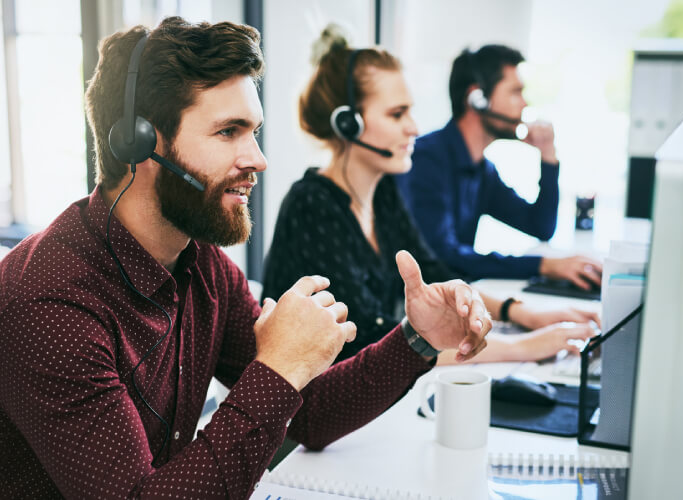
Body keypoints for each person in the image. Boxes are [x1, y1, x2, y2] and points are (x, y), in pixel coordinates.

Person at [0, 18, 493, 499]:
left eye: (253, 131)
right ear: (139, 142)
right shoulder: (48, 302)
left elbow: (311, 413)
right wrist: (276, 368)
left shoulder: (203, 264)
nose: (257, 158)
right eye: (228, 132)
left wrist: (417, 339)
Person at [262, 27, 598, 367]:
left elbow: (435, 274)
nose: (414, 128)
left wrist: (521, 314)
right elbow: (366, 343)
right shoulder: (313, 206)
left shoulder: (384, 192)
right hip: (310, 409)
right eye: (397, 114)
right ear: (348, 124)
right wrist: (524, 347)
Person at [395, 44, 602, 290]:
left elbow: (540, 226)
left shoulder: (482, 171)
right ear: (477, 99)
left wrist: (548, 157)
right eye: (515, 92)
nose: (524, 104)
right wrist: (543, 265)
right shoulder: (426, 160)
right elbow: (443, 255)